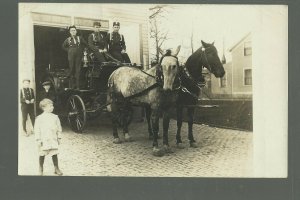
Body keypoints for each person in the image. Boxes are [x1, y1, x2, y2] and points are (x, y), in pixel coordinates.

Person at [34, 98, 63, 176]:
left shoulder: (55, 117)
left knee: (54, 153)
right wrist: (38, 139)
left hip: (53, 139)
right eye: (50, 106)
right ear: (44, 107)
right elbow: (37, 130)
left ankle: (56, 168)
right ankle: (40, 168)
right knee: (42, 154)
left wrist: (59, 137)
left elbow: (59, 128)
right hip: (44, 140)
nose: (52, 107)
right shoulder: (39, 118)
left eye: (52, 105)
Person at [62, 25, 87, 89]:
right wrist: (69, 50)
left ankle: (78, 86)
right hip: (71, 56)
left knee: (78, 70)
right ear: (70, 32)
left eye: (74, 30)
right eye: (72, 31)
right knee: (71, 70)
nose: (73, 32)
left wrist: (83, 50)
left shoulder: (80, 38)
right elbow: (63, 46)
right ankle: (71, 86)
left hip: (78, 55)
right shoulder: (68, 39)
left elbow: (85, 44)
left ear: (76, 31)